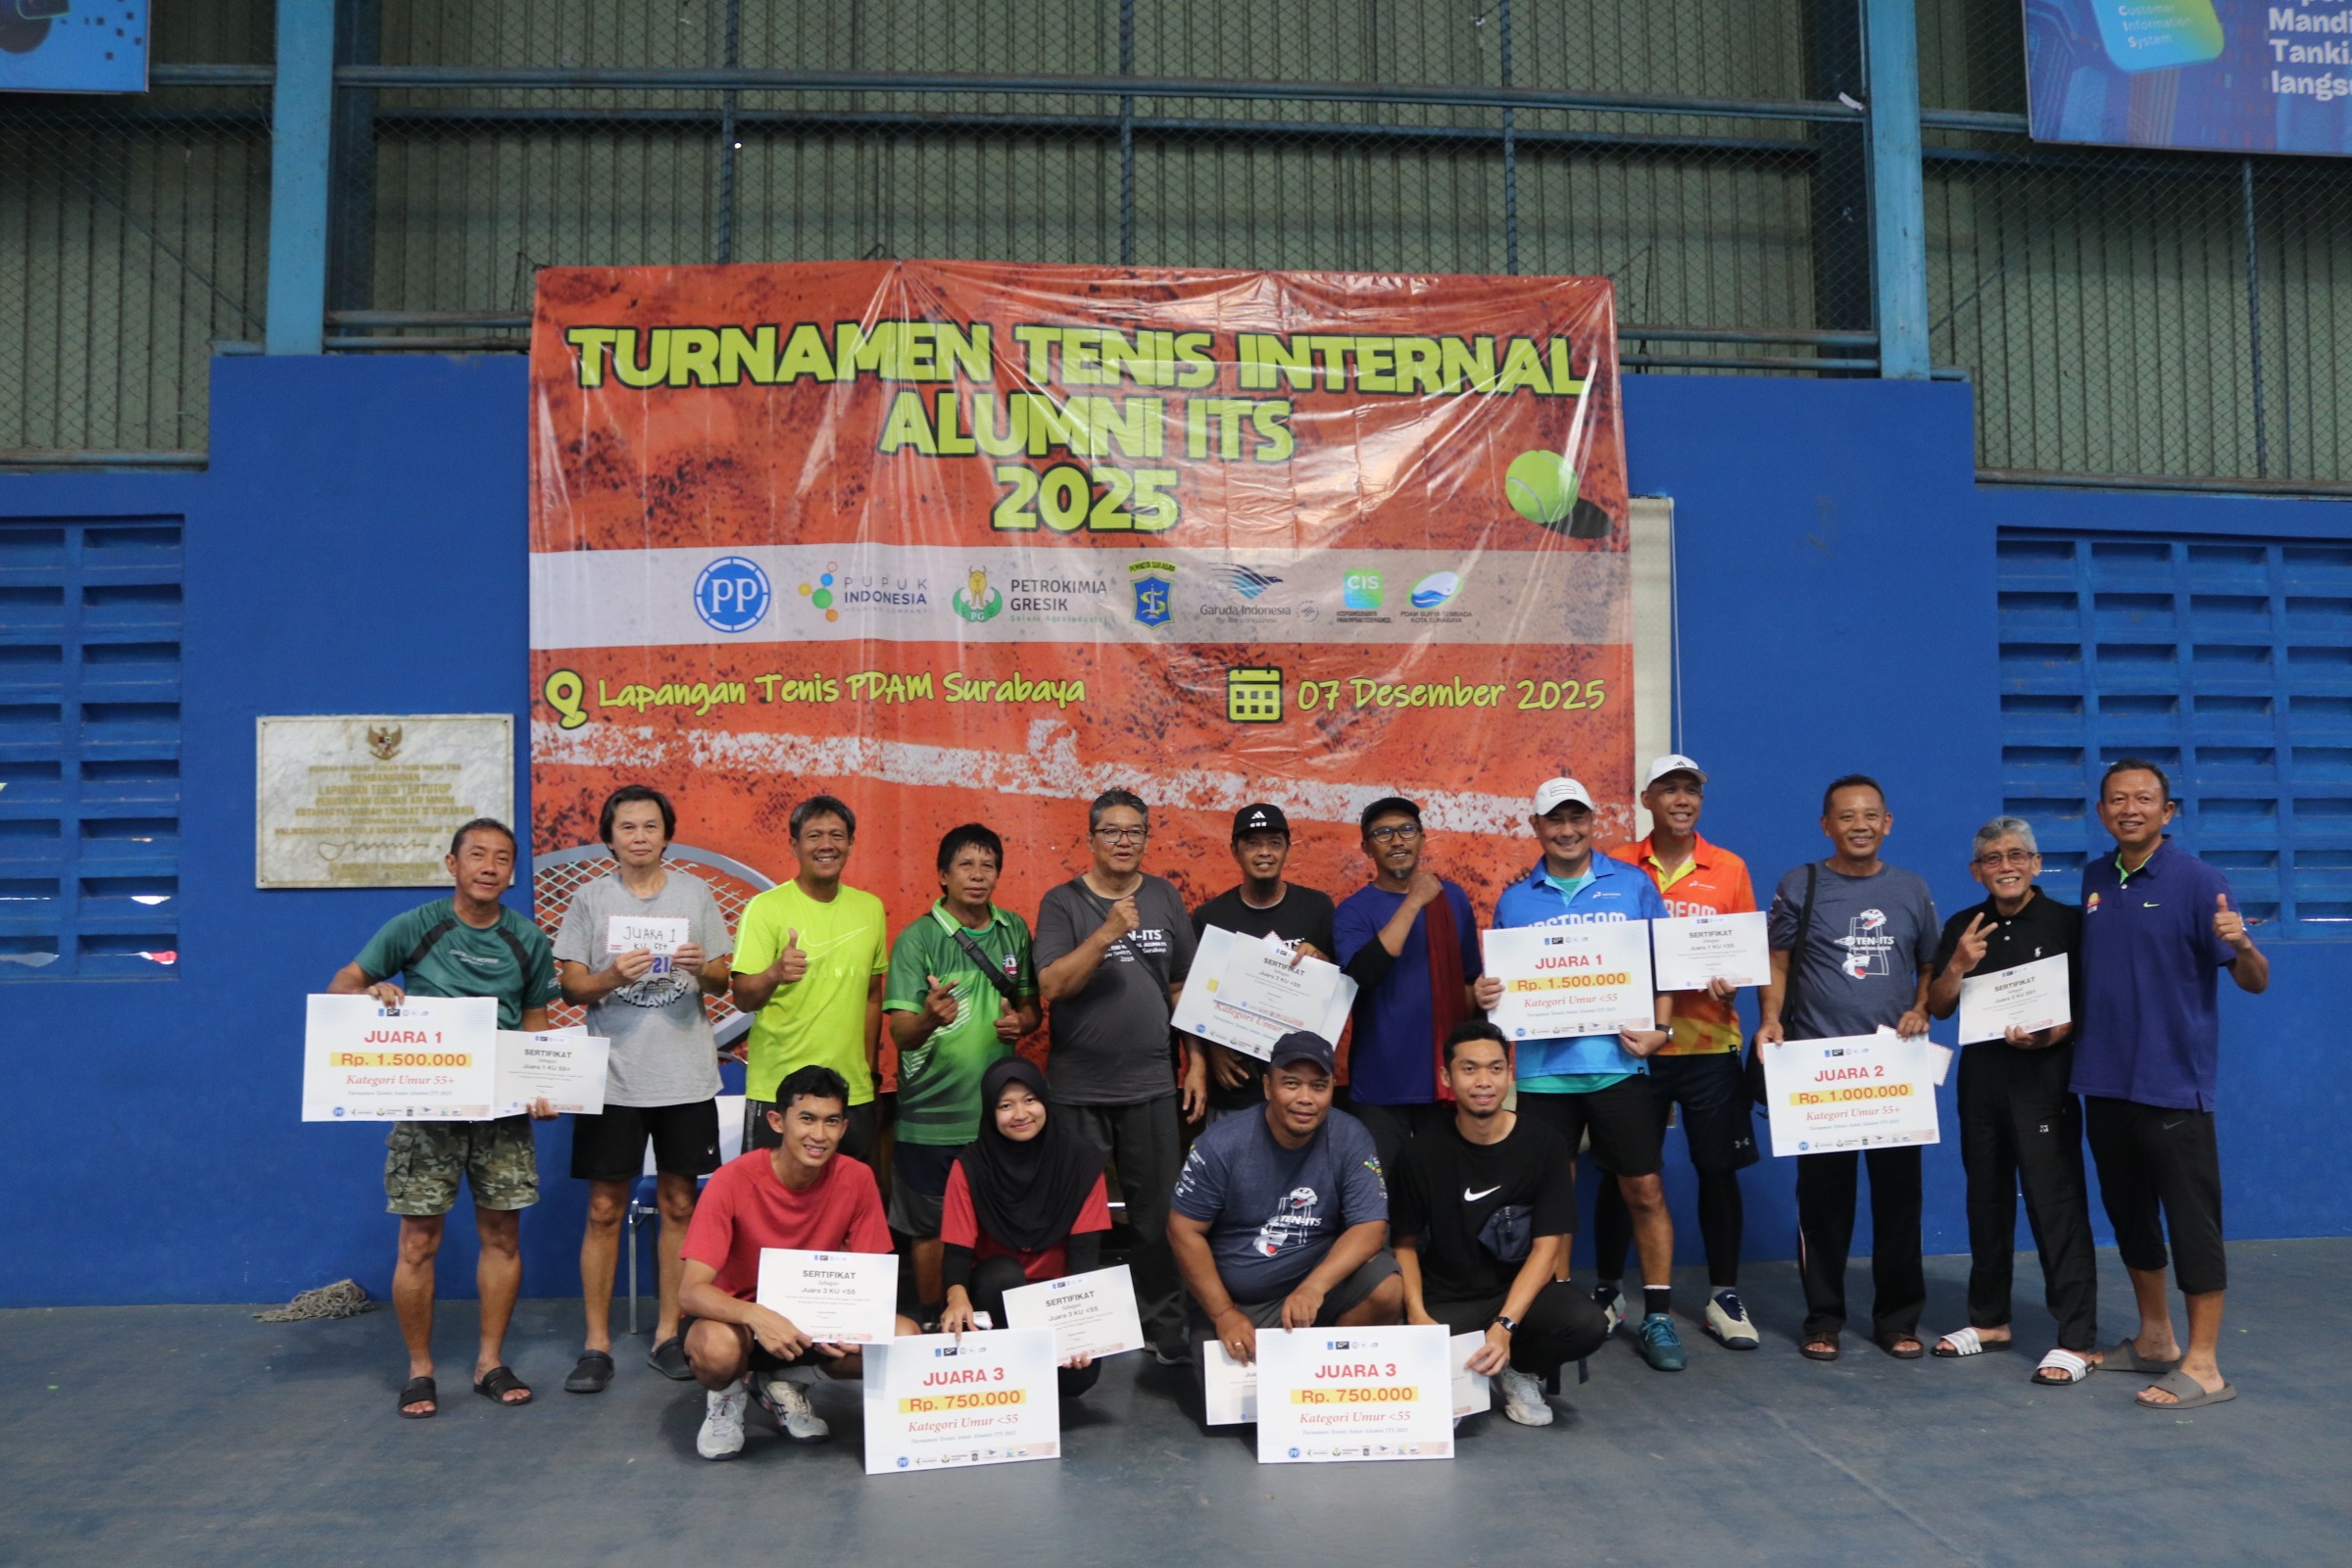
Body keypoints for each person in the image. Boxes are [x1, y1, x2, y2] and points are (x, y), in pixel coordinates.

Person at [325, 817, 561, 1420]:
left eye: (502, 858)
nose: (489, 866)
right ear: (452, 865)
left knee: (502, 1237)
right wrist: (370, 994)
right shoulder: (415, 926)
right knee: (417, 1242)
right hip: (427, 1108)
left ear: (512, 872)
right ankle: (420, 1369)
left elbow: (535, 1022)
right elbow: (342, 985)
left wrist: (541, 1084)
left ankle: (489, 1363)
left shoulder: (528, 940)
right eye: (477, 855)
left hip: (501, 1111)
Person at [2073, 759, 2267, 1410]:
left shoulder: (2200, 881)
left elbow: (2254, 981)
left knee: (2191, 1225)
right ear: (2102, 812)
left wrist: (2244, 946)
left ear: (2167, 811)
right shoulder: (2096, 878)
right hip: (2104, 1080)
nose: (2129, 809)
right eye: (2117, 799)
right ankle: (2156, 1339)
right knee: (2130, 1216)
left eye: (2143, 799)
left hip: (2174, 1084)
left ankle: (2205, 1366)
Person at [1479, 776, 1683, 1370]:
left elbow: (1665, 965)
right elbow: (1502, 987)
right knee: (1554, 1201)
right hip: (1543, 1074)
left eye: (1577, 819)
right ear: (1537, 827)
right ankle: (1562, 1313)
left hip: (1618, 1064)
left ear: (1594, 822)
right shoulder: (1516, 901)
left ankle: (1660, 1315)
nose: (1567, 831)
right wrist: (1488, 994)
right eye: (1555, 820)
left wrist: (1661, 1029)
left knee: (1644, 1190)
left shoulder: (1633, 884)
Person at [553, 784, 734, 1393]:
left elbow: (722, 979)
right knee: (604, 1209)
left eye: (650, 826)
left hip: (685, 1075)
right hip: (612, 1080)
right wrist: (611, 975)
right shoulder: (589, 898)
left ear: (666, 835)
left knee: (680, 1205)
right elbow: (571, 987)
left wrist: (700, 966)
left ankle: (668, 1333)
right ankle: (596, 1344)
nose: (639, 836)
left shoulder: (695, 893)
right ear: (610, 838)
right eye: (627, 827)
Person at [1757, 774, 1938, 1362]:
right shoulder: (1800, 884)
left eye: (1870, 815)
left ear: (1888, 823)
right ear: (1826, 826)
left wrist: (1920, 1007)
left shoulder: (1911, 889)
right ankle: (1823, 1319)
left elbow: (1930, 966)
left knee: (1899, 1204)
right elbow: (1777, 962)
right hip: (1819, 1072)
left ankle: (1898, 1319)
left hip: (1893, 1073)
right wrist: (1771, 1019)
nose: (1860, 825)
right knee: (1823, 1206)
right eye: (1846, 816)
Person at [1592, 756, 1762, 1350]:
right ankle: (1609, 1289)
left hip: (1709, 1042)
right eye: (1670, 789)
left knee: (1718, 1169)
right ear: (1647, 798)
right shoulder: (1616, 865)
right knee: (1624, 1172)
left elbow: (1745, 952)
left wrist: (1733, 980)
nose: (1682, 799)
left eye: (1692, 790)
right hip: (1635, 1045)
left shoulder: (1730, 867)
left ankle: (1724, 1294)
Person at [1923, 815, 2098, 1386]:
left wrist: (2050, 1035)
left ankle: (2076, 1339)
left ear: (2036, 864)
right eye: (1993, 858)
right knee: (1986, 1202)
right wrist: (1957, 964)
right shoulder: (1963, 926)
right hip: (1981, 1086)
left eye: (2017, 855)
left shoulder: (2067, 924)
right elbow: (1939, 1006)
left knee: (2055, 1206)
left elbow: (2087, 1008)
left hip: (2044, 1085)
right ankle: (1990, 1320)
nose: (2006, 866)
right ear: (1977, 870)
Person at [677, 1065, 921, 1460]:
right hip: (738, 1321)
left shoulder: (858, 1178)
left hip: (814, 1321)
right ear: (778, 1121)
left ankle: (787, 1381)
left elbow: (871, 1276)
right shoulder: (731, 1180)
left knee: (904, 1337)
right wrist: (757, 1315)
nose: (819, 1135)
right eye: (807, 1119)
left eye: (831, 1121)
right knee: (716, 1351)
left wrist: (858, 1321)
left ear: (844, 1127)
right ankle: (727, 1394)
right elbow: (690, 1292)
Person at [1033, 787, 1200, 1362]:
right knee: (1075, 1215)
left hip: (1151, 1084)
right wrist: (1107, 932)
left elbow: (1182, 988)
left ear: (1146, 839)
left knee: (1158, 1215)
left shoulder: (1165, 896)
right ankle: (1076, 1331)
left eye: (1135, 832)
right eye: (1112, 831)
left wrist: (1197, 1062)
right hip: (1077, 1088)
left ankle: (1164, 1325)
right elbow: (1052, 985)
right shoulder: (1062, 902)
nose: (1124, 841)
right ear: (1091, 838)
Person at [1392, 1022, 1610, 1427]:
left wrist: (1505, 1325)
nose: (1483, 1081)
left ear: (1510, 1074)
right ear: (1446, 1077)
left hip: (1517, 1295)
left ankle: (1519, 1367)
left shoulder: (1544, 1143)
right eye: (1469, 1069)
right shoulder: (1420, 1152)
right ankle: (1463, 1370)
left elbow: (1547, 1247)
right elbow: (1403, 1243)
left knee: (1587, 1324)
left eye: (1495, 1068)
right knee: (1435, 1412)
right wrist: (1418, 1314)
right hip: (1447, 1297)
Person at [883, 823, 1041, 1320]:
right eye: (966, 865)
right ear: (943, 875)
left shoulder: (1013, 929)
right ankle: (935, 1322)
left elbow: (1031, 1010)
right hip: (930, 1120)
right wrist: (930, 1017)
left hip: (999, 1118)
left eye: (987, 865)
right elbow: (902, 1034)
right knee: (931, 1228)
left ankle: (993, 1319)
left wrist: (1022, 1023)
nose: (977, 875)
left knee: (999, 1221)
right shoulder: (918, 939)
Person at [1170, 1031, 1401, 1368]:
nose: (1305, 1098)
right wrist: (1223, 1313)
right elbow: (1183, 1230)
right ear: (1267, 1087)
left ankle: (1324, 1371)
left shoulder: (1351, 1136)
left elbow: (1370, 1228)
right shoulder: (1220, 1144)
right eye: (1291, 1084)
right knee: (1234, 1402)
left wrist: (1314, 1287)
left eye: (1318, 1086)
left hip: (1317, 1291)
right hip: (1240, 1303)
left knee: (1386, 1287)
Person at [938, 1058, 1116, 1398]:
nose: (1020, 1114)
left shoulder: (1081, 1162)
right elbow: (957, 1250)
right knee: (1003, 1274)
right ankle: (1011, 1377)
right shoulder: (972, 1166)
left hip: (1055, 1299)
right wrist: (956, 1297)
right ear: (990, 1112)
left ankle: (1019, 1377)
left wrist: (1077, 1329)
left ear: (1045, 1101)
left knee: (1079, 1378)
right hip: (992, 1294)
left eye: (1030, 1100)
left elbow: (1084, 1258)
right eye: (1005, 1106)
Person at [730, 796, 889, 1162]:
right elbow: (742, 997)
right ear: (794, 845)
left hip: (851, 1094)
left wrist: (869, 1076)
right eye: (814, 836)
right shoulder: (765, 908)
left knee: (847, 1196)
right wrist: (774, 973)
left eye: (837, 835)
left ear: (851, 843)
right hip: (779, 1093)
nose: (826, 845)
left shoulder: (870, 909)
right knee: (769, 1197)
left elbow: (871, 996)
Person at [1333, 796, 1485, 1166]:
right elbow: (1365, 974)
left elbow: (1468, 981)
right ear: (1366, 848)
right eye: (1383, 833)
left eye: (1407, 830)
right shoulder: (1353, 911)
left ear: (1422, 837)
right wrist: (1414, 901)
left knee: (1444, 1192)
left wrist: (1481, 1002)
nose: (1397, 841)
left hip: (1444, 1083)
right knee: (1379, 1193)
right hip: (1380, 1087)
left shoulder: (1453, 899)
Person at [1189, 802, 1338, 1124]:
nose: (1264, 852)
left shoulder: (1317, 908)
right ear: (1235, 851)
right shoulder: (1210, 917)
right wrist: (1212, 1048)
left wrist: (1323, 965)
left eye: (1274, 842)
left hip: (1301, 1085)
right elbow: (1194, 996)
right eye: (1252, 843)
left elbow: (1342, 991)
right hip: (1235, 1083)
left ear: (1287, 849)